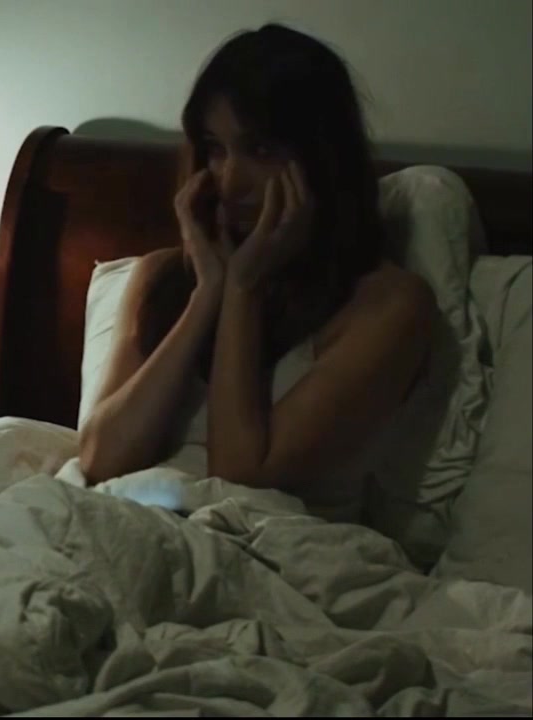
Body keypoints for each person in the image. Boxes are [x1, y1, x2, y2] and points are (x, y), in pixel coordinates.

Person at [78, 23, 436, 521]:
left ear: (320, 159)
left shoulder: (387, 304)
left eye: (261, 150)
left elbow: (238, 478)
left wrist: (244, 288)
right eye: (215, 148)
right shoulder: (161, 276)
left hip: (273, 542)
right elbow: (100, 460)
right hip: (132, 518)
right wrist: (208, 294)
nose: (230, 182)